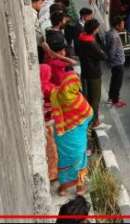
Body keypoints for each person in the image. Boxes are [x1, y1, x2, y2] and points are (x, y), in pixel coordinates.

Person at [51, 68, 93, 196]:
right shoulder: (78, 100)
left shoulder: (56, 94)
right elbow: (90, 114)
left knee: (64, 162)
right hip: (77, 140)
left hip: (62, 136)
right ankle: (79, 189)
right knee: (80, 162)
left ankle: (63, 189)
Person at [77, 19, 107, 129]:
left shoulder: (81, 38)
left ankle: (93, 118)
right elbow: (103, 56)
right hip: (94, 73)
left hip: (85, 70)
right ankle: (94, 121)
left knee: (88, 97)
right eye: (97, 28)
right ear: (94, 30)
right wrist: (102, 51)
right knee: (95, 98)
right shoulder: (91, 43)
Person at [39, 64, 59, 183]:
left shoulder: (39, 86)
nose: (50, 74)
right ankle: (52, 174)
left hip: (44, 121)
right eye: (49, 72)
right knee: (51, 149)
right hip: (48, 123)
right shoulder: (48, 88)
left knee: (49, 148)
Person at [104, 16, 127, 108]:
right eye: (122, 24)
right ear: (117, 25)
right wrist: (111, 61)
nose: (123, 26)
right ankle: (115, 100)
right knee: (117, 82)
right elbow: (112, 51)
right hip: (117, 62)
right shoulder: (114, 36)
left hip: (115, 62)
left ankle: (111, 97)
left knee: (114, 80)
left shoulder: (109, 33)